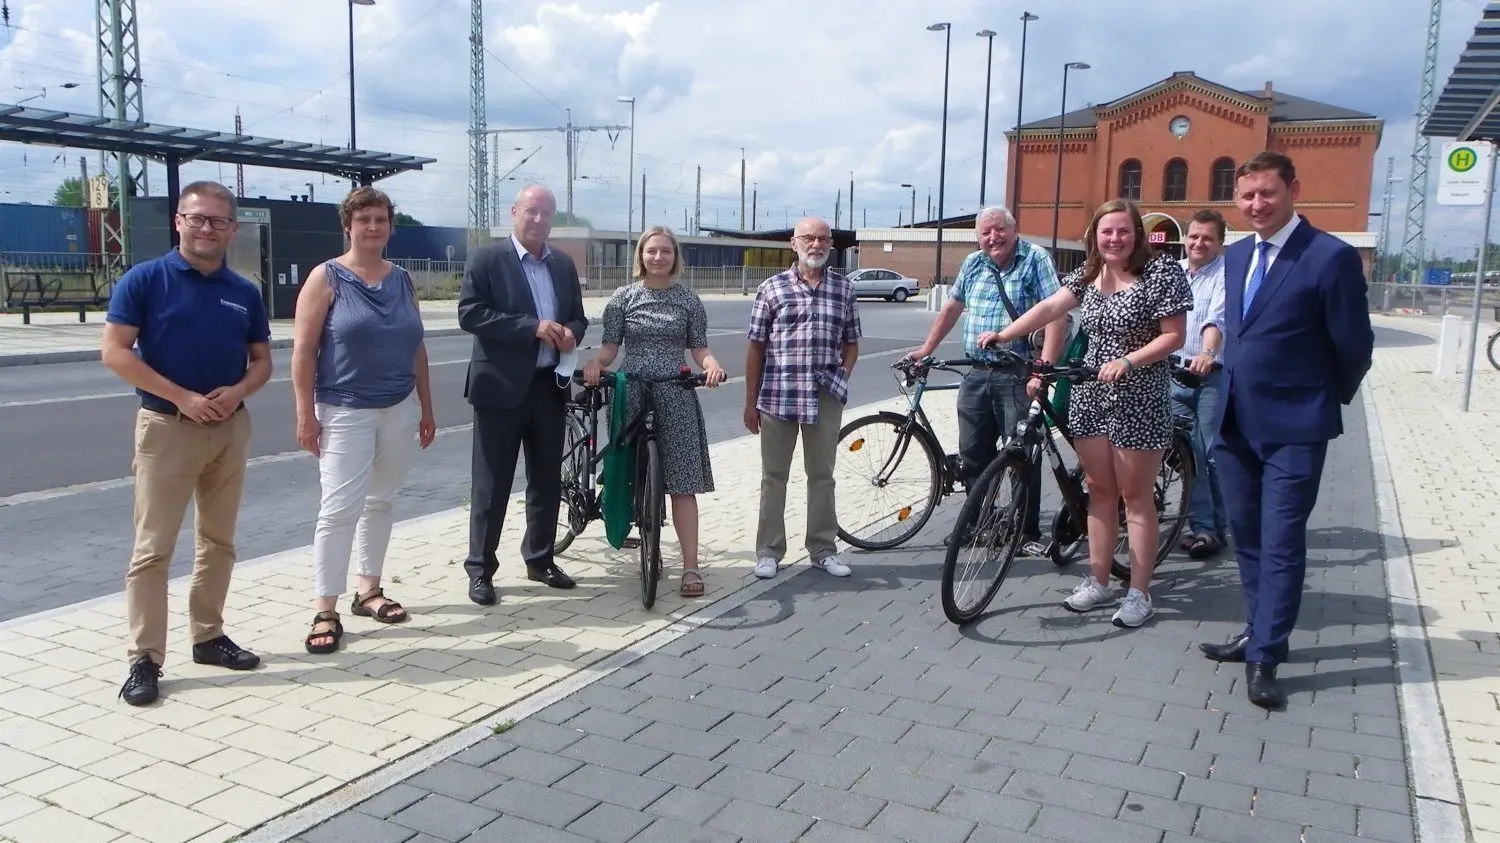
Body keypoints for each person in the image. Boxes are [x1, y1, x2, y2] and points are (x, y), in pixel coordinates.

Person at [1197, 152, 1374, 709]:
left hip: (1296, 428)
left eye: (1267, 193)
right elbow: (1235, 331)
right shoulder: (1236, 254)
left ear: (1293, 189)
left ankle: (1267, 655)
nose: (1256, 205)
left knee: (1280, 541)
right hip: (1234, 422)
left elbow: (1354, 347)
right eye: (1247, 196)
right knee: (1247, 536)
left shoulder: (1330, 258)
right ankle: (1259, 630)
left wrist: (1321, 398)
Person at [101, 180, 272, 706]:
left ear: (231, 230)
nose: (206, 228)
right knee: (152, 551)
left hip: (229, 428)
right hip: (167, 430)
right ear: (179, 221)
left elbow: (262, 360)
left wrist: (238, 391)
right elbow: (115, 352)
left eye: (218, 221)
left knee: (218, 542)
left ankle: (209, 635)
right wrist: (183, 398)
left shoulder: (243, 291)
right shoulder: (145, 280)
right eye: (197, 218)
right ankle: (145, 659)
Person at [984, 199, 1191, 629]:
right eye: (1106, 231)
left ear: (1136, 233)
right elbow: (1049, 309)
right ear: (1094, 235)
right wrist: (1004, 334)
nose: (1115, 239)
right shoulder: (1090, 273)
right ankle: (1097, 580)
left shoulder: (1160, 273)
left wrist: (1131, 361)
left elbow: (1174, 336)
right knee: (1099, 491)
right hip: (1091, 392)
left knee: (1135, 498)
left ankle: (1138, 592)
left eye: (1123, 231)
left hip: (1139, 395)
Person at [291, 186, 437, 654]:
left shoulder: (403, 280)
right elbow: (303, 352)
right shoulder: (326, 278)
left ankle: (368, 590)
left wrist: (427, 408)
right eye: (364, 220)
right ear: (348, 226)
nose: (373, 227)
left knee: (382, 502)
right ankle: (325, 609)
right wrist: (305, 416)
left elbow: (417, 347)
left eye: (381, 219)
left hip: (399, 406)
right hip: (344, 409)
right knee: (338, 510)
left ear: (391, 226)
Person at [908, 205, 1067, 556]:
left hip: (1018, 373)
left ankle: (1024, 530)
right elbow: (952, 307)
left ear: (1014, 229)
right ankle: (979, 521)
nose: (993, 237)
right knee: (973, 454)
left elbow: (1057, 315)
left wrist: (1043, 368)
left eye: (999, 229)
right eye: (986, 232)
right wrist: (926, 348)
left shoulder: (1034, 258)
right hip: (977, 373)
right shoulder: (974, 262)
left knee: (1021, 453)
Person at [458, 184, 589, 606]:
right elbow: (470, 313)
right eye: (531, 212)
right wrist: (530, 327)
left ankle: (540, 558)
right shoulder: (487, 258)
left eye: (547, 214)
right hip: (499, 389)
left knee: (547, 481)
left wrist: (571, 332)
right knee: (491, 484)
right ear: (514, 213)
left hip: (549, 386)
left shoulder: (562, 265)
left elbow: (578, 317)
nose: (538, 220)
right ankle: (480, 569)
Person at [583, 226, 727, 596]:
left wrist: (711, 365)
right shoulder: (623, 298)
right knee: (632, 473)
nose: (658, 257)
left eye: (665, 251)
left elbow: (698, 349)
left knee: (681, 483)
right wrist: (596, 364)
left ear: (675, 257)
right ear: (641, 257)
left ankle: (691, 567)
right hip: (633, 390)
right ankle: (645, 534)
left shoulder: (689, 301)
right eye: (651, 251)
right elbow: (611, 347)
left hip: (675, 392)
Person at [745, 217, 861, 580]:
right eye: (808, 238)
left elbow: (852, 343)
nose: (816, 244)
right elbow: (756, 347)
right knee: (773, 476)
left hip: (824, 396)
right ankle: (768, 551)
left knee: (822, 476)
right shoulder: (771, 288)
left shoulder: (844, 289)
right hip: (778, 394)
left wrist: (840, 378)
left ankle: (823, 550)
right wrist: (750, 402)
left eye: (823, 239)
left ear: (831, 245)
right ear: (794, 243)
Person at [1173, 209, 1229, 559]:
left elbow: (1217, 318)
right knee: (1185, 453)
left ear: (1220, 243)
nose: (1199, 243)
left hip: (1210, 378)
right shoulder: (1173, 273)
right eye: (1194, 236)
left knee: (1209, 453)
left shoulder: (1226, 275)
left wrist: (1208, 352)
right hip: (1171, 374)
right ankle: (1205, 523)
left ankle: (1211, 528)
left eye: (1207, 238)